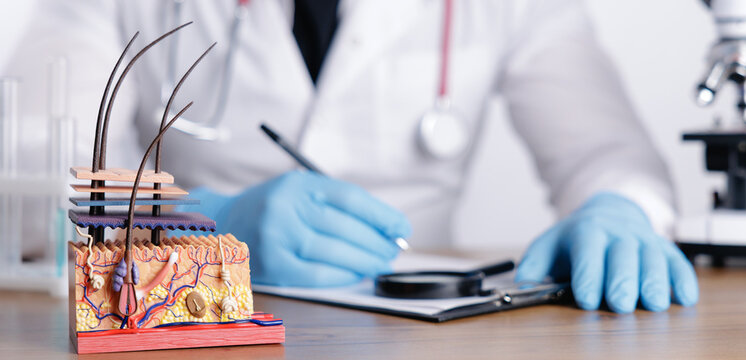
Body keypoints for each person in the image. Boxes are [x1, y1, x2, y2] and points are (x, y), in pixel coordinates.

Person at [6, 0, 698, 313]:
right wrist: (196, 226)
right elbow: (26, 167)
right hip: (203, 314)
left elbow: (607, 153)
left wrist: (618, 208)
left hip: (431, 334)